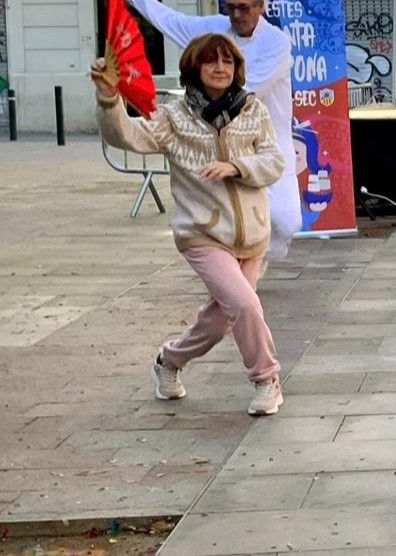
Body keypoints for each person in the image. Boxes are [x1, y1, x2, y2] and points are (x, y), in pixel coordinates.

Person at [91, 34, 287, 416]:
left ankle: (169, 361)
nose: (220, 68)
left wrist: (237, 167)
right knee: (245, 304)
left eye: (227, 61)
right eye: (211, 61)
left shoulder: (253, 109)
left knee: (219, 322)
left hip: (253, 234)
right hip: (202, 233)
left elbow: (274, 161)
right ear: (194, 67)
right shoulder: (174, 116)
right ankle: (267, 379)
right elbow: (126, 136)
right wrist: (108, 98)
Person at [116, 0, 298, 268]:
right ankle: (236, 269)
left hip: (269, 140)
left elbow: (250, 87)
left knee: (287, 221)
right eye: (230, 7)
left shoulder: (276, 42)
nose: (236, 15)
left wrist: (208, 94)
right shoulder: (215, 29)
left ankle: (254, 259)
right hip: (223, 144)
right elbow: (172, 22)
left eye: (244, 8)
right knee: (232, 222)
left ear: (260, 6)